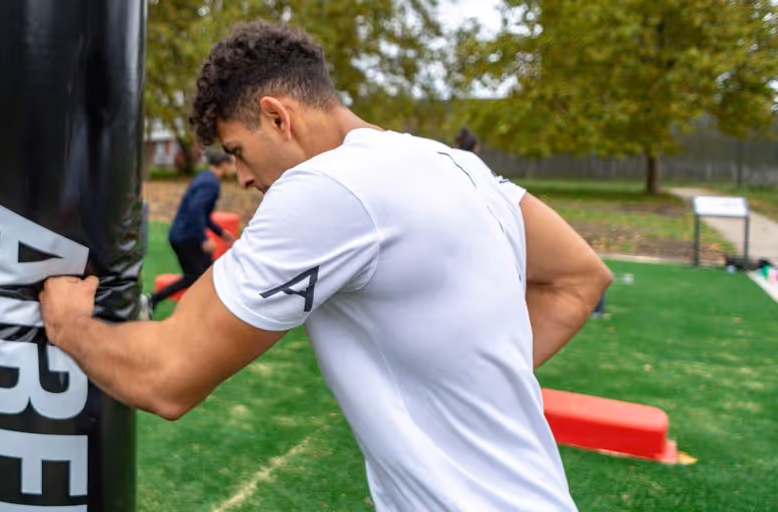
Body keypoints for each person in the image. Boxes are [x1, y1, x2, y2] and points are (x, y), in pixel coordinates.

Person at [40, 21, 612, 511]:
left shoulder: (325, 188)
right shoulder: (454, 164)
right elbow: (579, 278)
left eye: (237, 150)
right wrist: (455, 391)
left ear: (276, 117)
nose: (240, 177)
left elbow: (167, 377)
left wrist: (71, 328)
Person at [145, 149, 236, 312]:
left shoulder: (205, 177)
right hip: (187, 238)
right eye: (233, 164)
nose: (234, 169)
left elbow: (203, 214)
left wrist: (221, 233)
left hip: (183, 235)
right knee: (205, 275)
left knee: (202, 274)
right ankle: (154, 300)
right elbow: (196, 210)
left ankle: (153, 300)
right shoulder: (211, 183)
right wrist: (203, 239)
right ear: (223, 164)